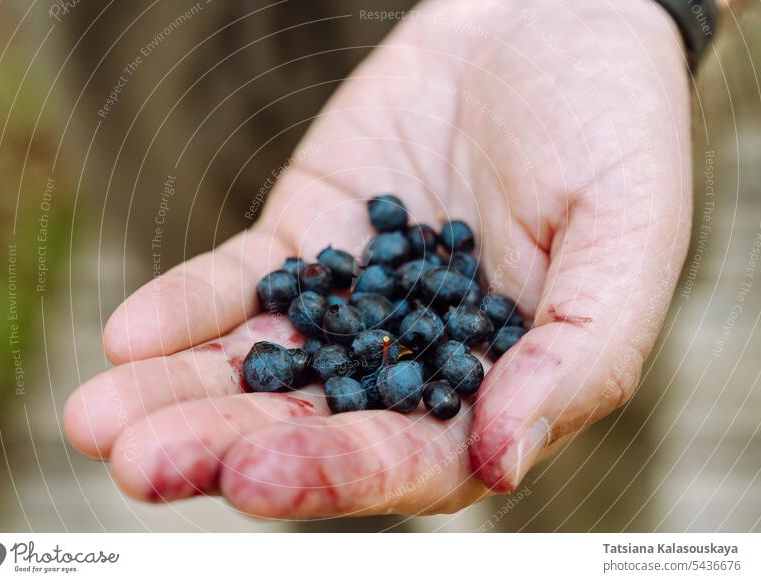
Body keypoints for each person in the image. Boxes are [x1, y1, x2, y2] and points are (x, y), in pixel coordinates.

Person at [64, 0, 730, 518]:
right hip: (159, 53)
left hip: (493, 69)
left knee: (562, 421)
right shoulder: (357, 314)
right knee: (296, 466)